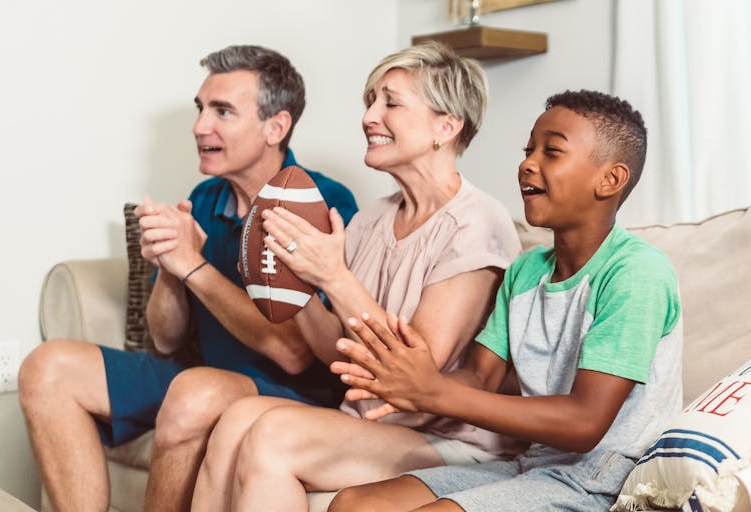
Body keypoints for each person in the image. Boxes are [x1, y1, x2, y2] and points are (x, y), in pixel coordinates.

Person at [17, 45, 359, 512]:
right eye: (201, 109)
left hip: (290, 394)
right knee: (48, 367)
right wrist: (171, 270)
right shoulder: (204, 196)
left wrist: (194, 268)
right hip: (200, 378)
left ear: (275, 127)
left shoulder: (318, 200)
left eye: (222, 111)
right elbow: (165, 337)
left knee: (194, 392)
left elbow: (294, 352)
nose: (200, 127)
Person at [189, 41, 523, 511]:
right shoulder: (370, 219)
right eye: (371, 101)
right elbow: (335, 353)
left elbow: (416, 372)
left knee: (272, 437)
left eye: (391, 102)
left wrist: (331, 275)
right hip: (370, 426)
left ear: (445, 127)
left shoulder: (476, 222)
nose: (370, 116)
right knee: (236, 420)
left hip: (449, 441)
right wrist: (295, 280)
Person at [327, 90, 683, 512]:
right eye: (528, 149)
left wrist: (433, 395)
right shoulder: (526, 271)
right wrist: (417, 379)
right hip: (534, 463)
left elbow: (585, 422)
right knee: (354, 504)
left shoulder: (636, 273)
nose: (528, 163)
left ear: (610, 180)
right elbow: (481, 377)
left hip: (607, 480)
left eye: (552, 152)